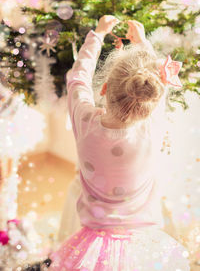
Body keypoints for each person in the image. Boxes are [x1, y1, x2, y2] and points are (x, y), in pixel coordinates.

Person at [47, 15, 190, 270]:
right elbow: (159, 86)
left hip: (92, 242)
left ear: (103, 90)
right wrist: (143, 43)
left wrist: (98, 35)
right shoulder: (153, 128)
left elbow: (78, 79)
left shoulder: (85, 122)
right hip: (143, 243)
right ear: (151, 101)